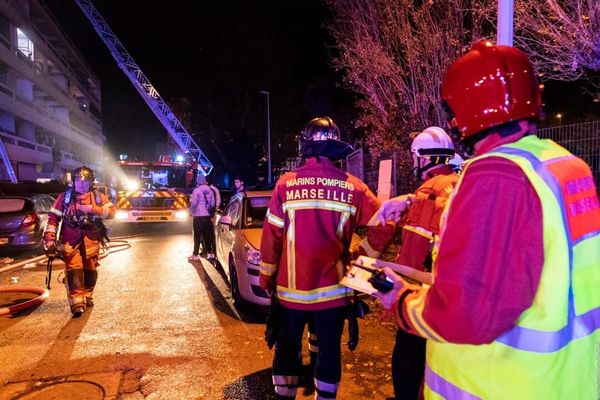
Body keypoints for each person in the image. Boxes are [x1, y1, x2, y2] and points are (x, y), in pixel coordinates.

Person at [377, 40, 600, 399]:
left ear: (462, 108)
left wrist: (402, 301)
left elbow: (468, 313)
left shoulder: (495, 175)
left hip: (501, 384)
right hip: (565, 380)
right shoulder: (566, 166)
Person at [259, 116, 393, 399]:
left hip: (290, 293)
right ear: (336, 148)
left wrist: (267, 278)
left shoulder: (285, 184)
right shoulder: (354, 186)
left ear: (305, 147)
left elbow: (272, 238)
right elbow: (386, 224)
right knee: (329, 350)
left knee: (287, 347)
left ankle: (285, 396)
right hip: (334, 294)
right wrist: (361, 256)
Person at [386, 127, 459, 400]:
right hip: (453, 289)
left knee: (407, 355)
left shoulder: (428, 191)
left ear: (427, 159)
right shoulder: (459, 181)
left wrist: (399, 298)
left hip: (425, 294)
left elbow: (412, 258)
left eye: (416, 157)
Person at [43, 166, 116, 317]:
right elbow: (53, 219)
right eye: (78, 181)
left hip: (91, 241)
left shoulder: (97, 197)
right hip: (70, 242)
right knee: (74, 271)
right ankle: (77, 304)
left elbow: (112, 213)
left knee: (90, 272)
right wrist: (49, 240)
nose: (81, 184)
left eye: (85, 181)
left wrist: (92, 209)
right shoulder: (65, 198)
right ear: (74, 182)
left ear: (91, 182)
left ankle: (87, 295)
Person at [189, 174, 216, 261]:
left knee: (197, 236)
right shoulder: (210, 191)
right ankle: (210, 253)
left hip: (198, 217)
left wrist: (191, 212)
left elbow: (194, 204)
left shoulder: (196, 191)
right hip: (207, 216)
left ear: (198, 181)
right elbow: (212, 204)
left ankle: (195, 254)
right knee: (207, 236)